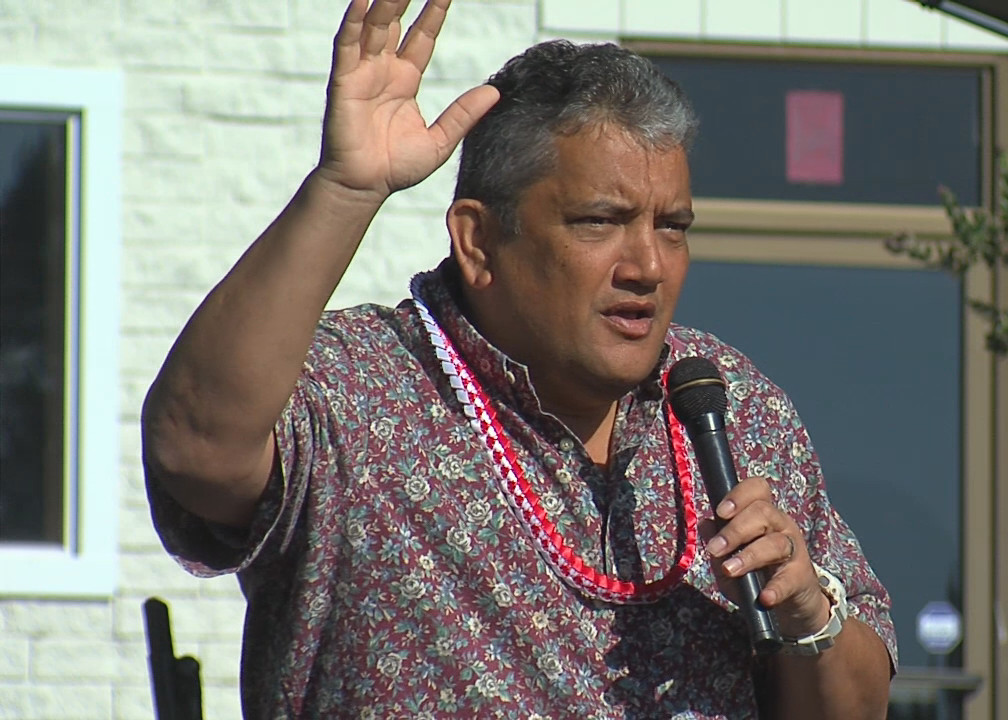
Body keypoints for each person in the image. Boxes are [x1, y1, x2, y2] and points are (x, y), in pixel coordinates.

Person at [141, 0, 897, 717]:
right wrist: (345, 191)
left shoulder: (729, 404)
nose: (648, 265)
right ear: (478, 241)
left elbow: (858, 704)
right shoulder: (363, 385)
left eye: (672, 226)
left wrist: (805, 616)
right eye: (601, 220)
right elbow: (196, 447)